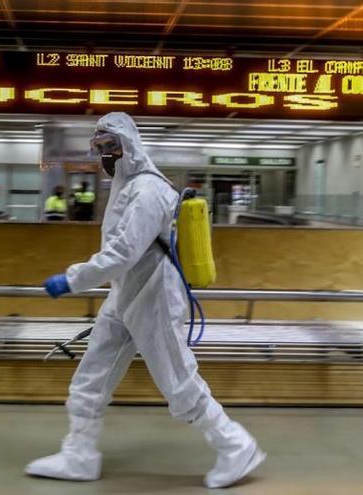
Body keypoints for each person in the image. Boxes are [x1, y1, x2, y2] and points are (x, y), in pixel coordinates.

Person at [26, 112, 265, 488]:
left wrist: (72, 280)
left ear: (130, 146)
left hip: (153, 297)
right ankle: (79, 455)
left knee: (178, 381)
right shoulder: (127, 187)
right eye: (100, 148)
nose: (105, 155)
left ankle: (236, 446)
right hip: (124, 297)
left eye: (111, 147)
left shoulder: (148, 191)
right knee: (91, 377)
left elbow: (123, 252)